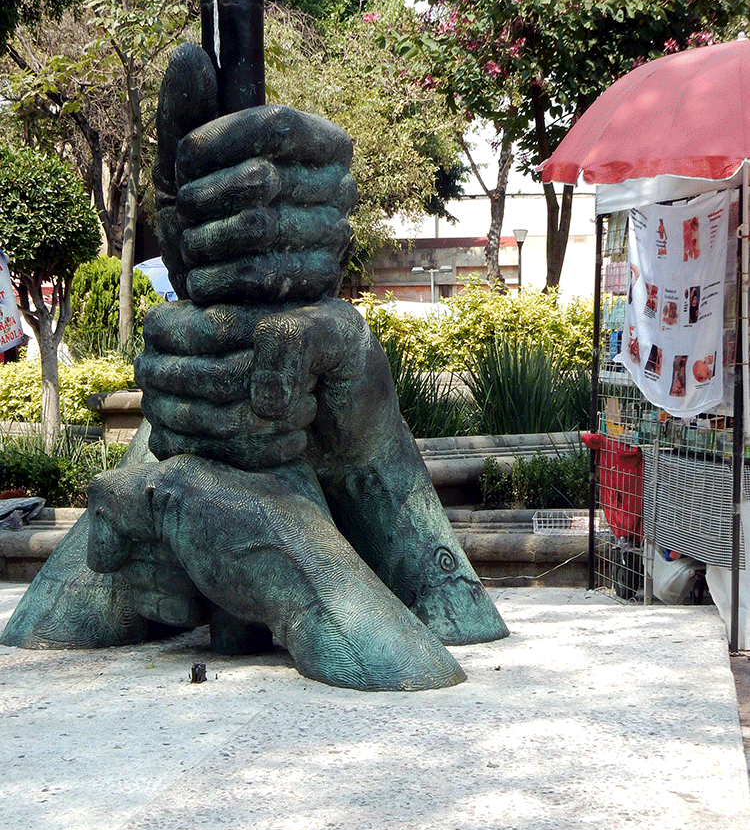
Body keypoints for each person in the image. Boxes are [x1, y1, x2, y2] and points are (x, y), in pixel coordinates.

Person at [2, 43, 508, 690]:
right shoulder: (186, 427)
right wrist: (180, 438)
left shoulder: (315, 386)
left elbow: (452, 621)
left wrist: (363, 458)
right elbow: (41, 634)